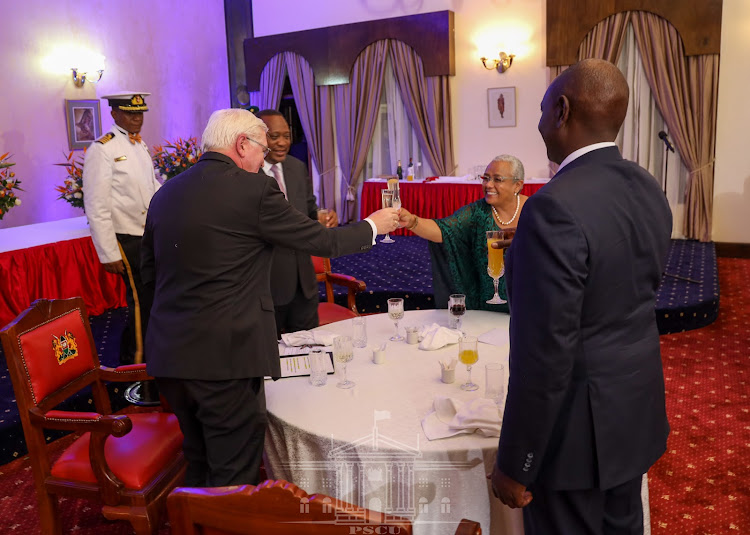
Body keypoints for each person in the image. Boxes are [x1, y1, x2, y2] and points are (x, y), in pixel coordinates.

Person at [141, 108, 398, 487]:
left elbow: (149, 275)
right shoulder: (255, 189)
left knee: (198, 458)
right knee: (234, 473)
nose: (265, 159)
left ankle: (192, 522)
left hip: (170, 356)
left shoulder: (166, 193)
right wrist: (374, 225)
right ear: (242, 144)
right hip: (225, 360)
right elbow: (321, 241)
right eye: (261, 149)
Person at [490, 59, 672, 535]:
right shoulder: (647, 186)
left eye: (542, 108)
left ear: (562, 111)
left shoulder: (552, 207)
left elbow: (546, 356)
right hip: (634, 411)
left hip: (576, 438)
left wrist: (516, 462)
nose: (538, 122)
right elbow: (620, 280)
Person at [83, 91, 162, 405]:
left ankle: (130, 363)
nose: (137, 118)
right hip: (125, 239)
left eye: (140, 113)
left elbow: (151, 186)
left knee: (151, 300)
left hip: (147, 236)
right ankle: (140, 375)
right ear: (114, 114)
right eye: (130, 114)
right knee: (141, 304)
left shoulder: (139, 144)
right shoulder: (102, 150)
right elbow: (96, 206)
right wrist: (108, 252)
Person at [397, 154, 528, 312]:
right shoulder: (476, 212)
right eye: (485, 178)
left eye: (497, 179)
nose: (488, 184)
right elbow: (444, 230)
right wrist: (412, 221)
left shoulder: (534, 211)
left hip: (527, 305)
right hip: (487, 307)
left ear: (517, 185)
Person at [255, 109, 338, 337]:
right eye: (274, 136)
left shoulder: (296, 168)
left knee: (309, 353)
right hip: (267, 288)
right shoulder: (248, 175)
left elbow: (309, 211)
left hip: (304, 285)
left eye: (287, 136)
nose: (282, 143)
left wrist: (322, 216)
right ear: (259, 137)